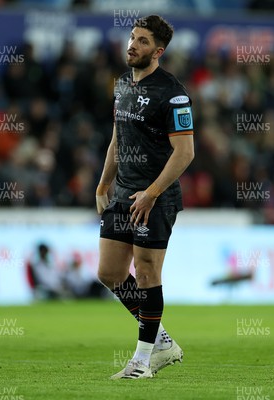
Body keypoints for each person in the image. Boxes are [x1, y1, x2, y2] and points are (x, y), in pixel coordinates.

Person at [96, 15, 195, 379]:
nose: (132, 45)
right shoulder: (122, 84)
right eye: (132, 37)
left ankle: (141, 361)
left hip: (156, 198)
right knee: (109, 273)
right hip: (122, 193)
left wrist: (151, 194)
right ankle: (163, 342)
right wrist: (103, 186)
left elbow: (185, 153)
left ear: (159, 51)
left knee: (148, 273)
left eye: (142, 41)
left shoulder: (173, 93)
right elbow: (117, 139)